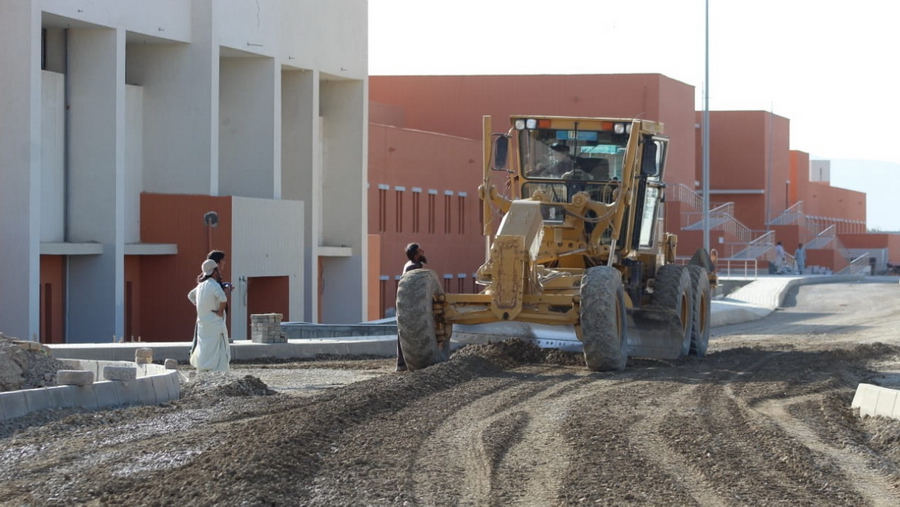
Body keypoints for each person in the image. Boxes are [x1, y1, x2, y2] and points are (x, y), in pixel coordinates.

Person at [188, 259, 231, 372]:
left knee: (204, 347)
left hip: (203, 323)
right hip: (215, 322)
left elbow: (190, 296)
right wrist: (220, 311)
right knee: (218, 348)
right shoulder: (213, 284)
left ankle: (203, 370)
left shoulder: (200, 286)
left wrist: (202, 306)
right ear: (214, 271)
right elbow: (223, 299)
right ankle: (218, 372)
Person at [396, 242, 428, 372]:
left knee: (402, 333)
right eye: (420, 251)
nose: (423, 252)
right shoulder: (415, 267)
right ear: (415, 254)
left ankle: (401, 363)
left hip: (405, 303)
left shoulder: (407, 265)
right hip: (412, 305)